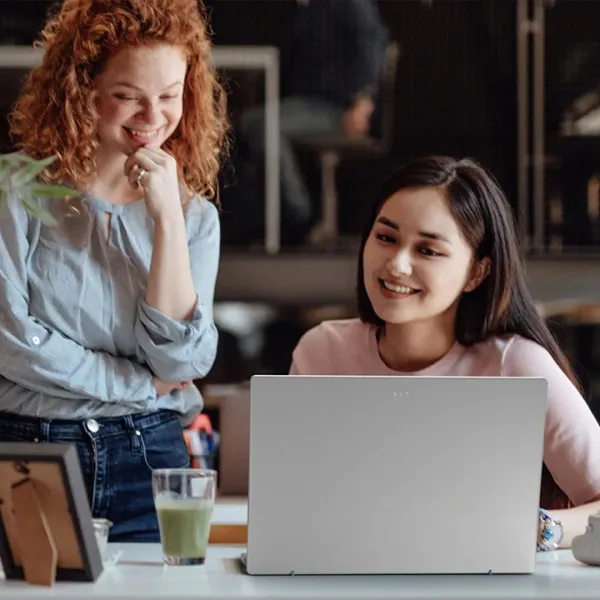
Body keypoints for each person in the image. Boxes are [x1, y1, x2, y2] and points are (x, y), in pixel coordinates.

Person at [0, 0, 228, 542]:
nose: (153, 119)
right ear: (81, 90)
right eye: (127, 97)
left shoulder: (194, 216)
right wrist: (134, 383)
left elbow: (183, 359)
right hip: (34, 453)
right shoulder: (15, 192)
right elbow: (11, 337)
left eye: (170, 96)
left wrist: (167, 219)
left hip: (151, 455)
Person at [289, 156, 600, 550]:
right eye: (385, 237)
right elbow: (294, 503)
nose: (397, 264)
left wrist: (537, 529)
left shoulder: (516, 364)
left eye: (429, 250)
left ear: (477, 273)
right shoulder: (321, 351)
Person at [235, 0, 388, 242]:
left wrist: (364, 100)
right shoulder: (301, 9)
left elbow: (373, 43)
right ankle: (256, 219)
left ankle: (299, 215)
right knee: (249, 125)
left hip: (337, 108)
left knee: (263, 125)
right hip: (303, 104)